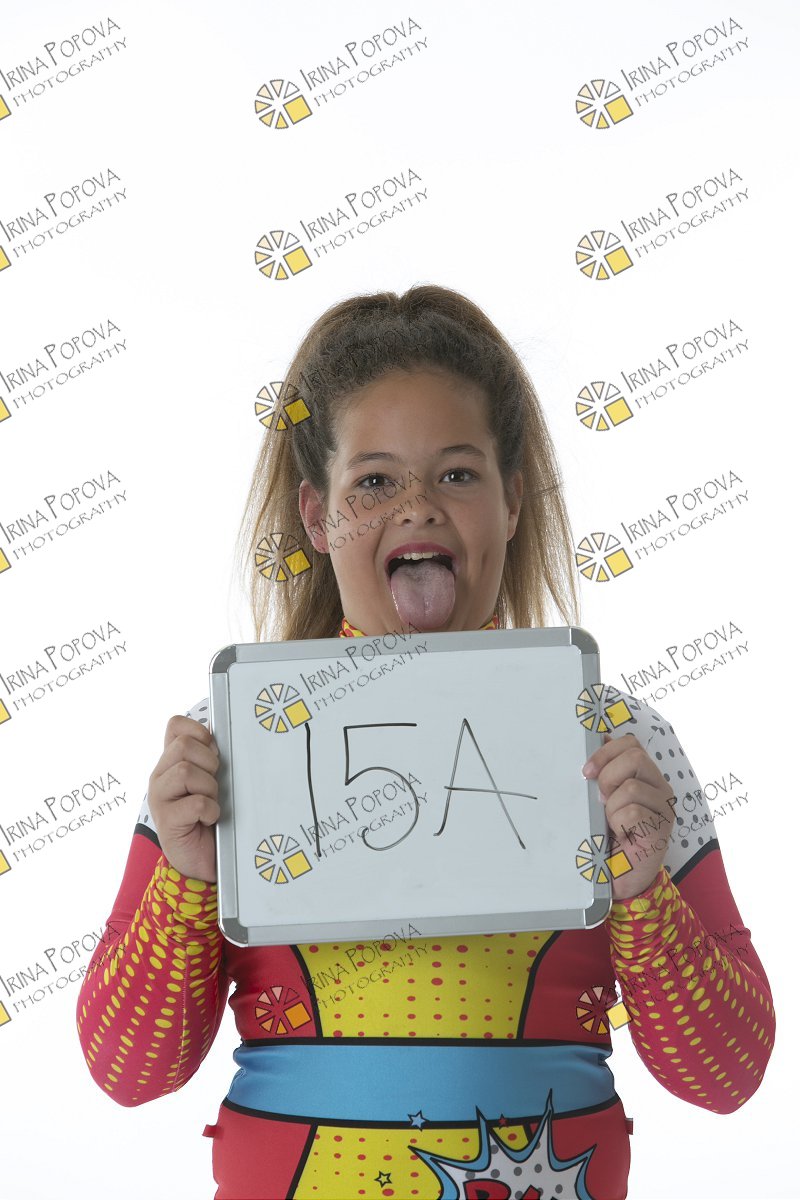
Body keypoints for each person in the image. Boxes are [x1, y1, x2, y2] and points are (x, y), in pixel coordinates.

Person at [76, 286, 775, 1200]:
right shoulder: (227, 743)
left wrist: (643, 889)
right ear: (318, 518)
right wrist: (187, 880)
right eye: (375, 482)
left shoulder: (619, 741)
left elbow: (728, 1076)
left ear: (512, 501)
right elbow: (128, 1071)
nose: (418, 509)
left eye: (457, 474)